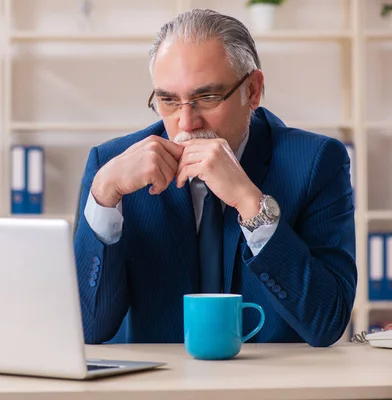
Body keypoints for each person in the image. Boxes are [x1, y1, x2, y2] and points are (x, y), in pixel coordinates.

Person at [72, 8, 357, 347]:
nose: (187, 122)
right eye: (168, 100)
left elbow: (327, 323)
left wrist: (251, 205)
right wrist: (104, 193)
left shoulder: (316, 163)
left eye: (206, 97)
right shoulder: (111, 168)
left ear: (252, 91)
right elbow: (87, 330)